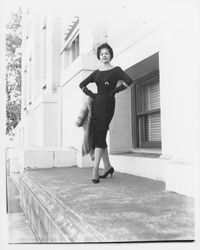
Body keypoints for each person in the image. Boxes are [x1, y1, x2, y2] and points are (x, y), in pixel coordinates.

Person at [79, 43, 133, 184]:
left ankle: (95, 169)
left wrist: (115, 91)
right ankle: (108, 167)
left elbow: (129, 80)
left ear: (110, 55)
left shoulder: (116, 70)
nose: (104, 55)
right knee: (99, 136)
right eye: (102, 53)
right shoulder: (96, 73)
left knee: (100, 135)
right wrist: (91, 94)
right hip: (97, 105)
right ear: (99, 56)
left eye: (107, 53)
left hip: (108, 105)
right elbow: (82, 84)